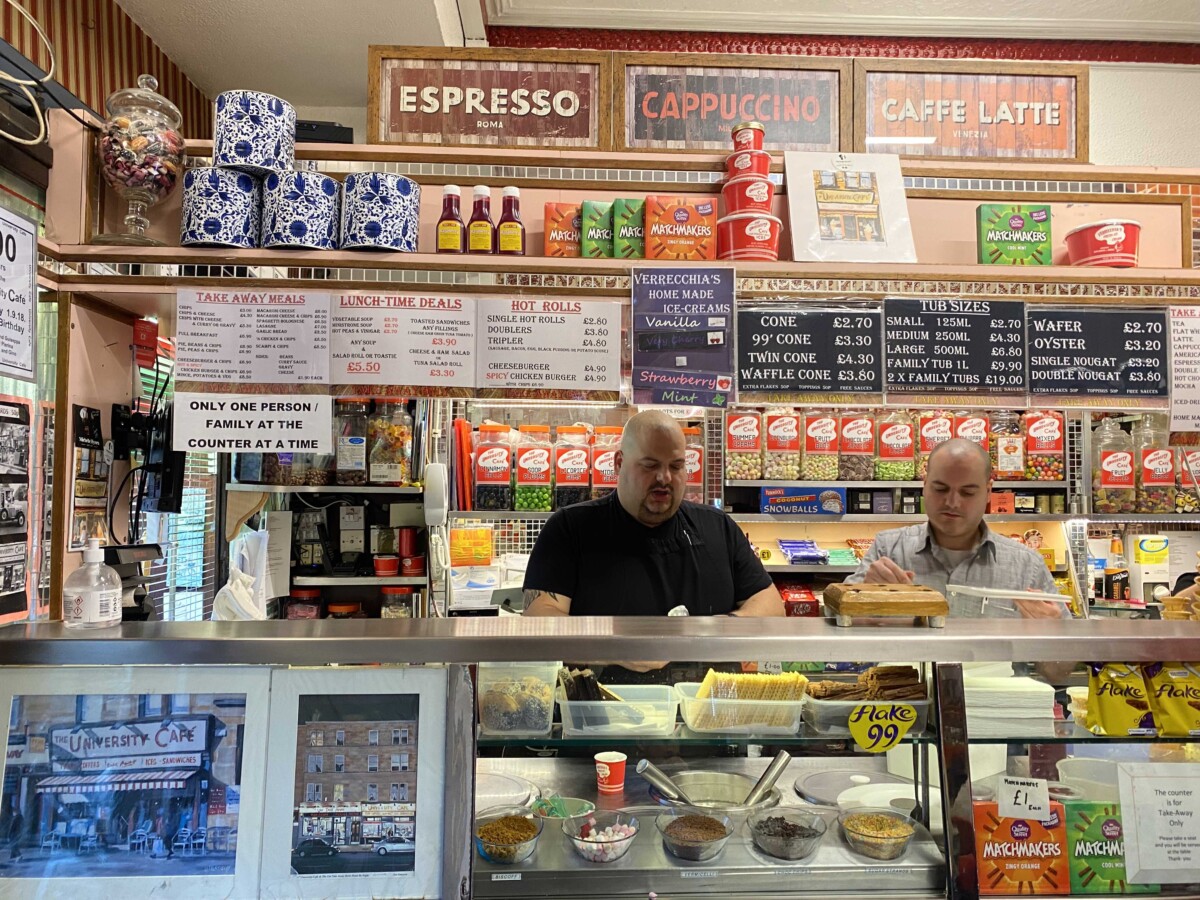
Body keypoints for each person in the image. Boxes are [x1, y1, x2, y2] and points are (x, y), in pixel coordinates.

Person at [523, 410, 783, 672]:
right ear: (618, 463)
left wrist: (719, 628)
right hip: (600, 707)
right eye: (650, 465)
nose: (664, 478)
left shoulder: (717, 527)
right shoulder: (570, 528)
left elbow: (772, 606)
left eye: (676, 466)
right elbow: (539, 619)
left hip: (708, 705)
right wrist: (615, 649)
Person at [845, 438, 1066, 619]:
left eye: (968, 492)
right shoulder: (889, 549)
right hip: (906, 675)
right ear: (925, 485)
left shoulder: (1028, 565)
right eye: (941, 489)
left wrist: (1051, 637)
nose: (952, 502)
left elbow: (1060, 670)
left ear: (989, 492)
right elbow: (838, 627)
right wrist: (863, 597)